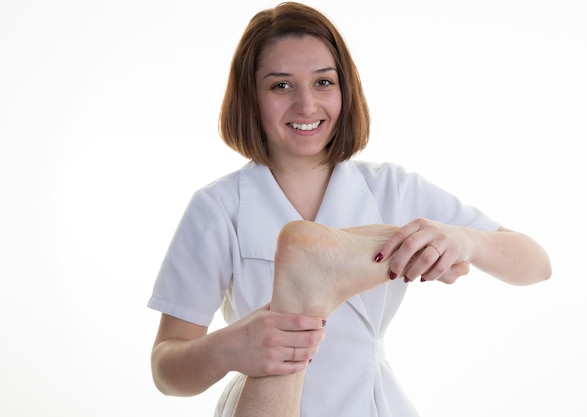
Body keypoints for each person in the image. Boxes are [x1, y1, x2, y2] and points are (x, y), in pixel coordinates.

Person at [147, 2, 552, 417]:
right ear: (250, 97)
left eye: (323, 82)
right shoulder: (217, 208)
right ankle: (305, 282)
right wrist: (228, 347)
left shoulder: (391, 190)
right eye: (281, 86)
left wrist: (464, 241)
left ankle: (310, 277)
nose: (306, 105)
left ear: (345, 90)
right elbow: (166, 369)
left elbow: (537, 264)